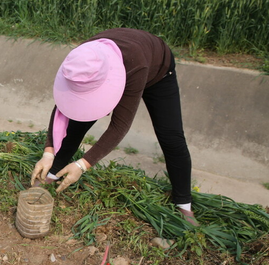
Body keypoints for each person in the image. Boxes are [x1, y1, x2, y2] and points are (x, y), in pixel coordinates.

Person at [31, 28, 197, 225]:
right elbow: (63, 108)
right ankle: (52, 173)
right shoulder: (82, 59)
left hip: (155, 70)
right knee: (77, 121)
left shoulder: (136, 66)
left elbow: (120, 125)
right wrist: (48, 152)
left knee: (171, 137)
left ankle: (184, 205)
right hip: (110, 70)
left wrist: (82, 165)